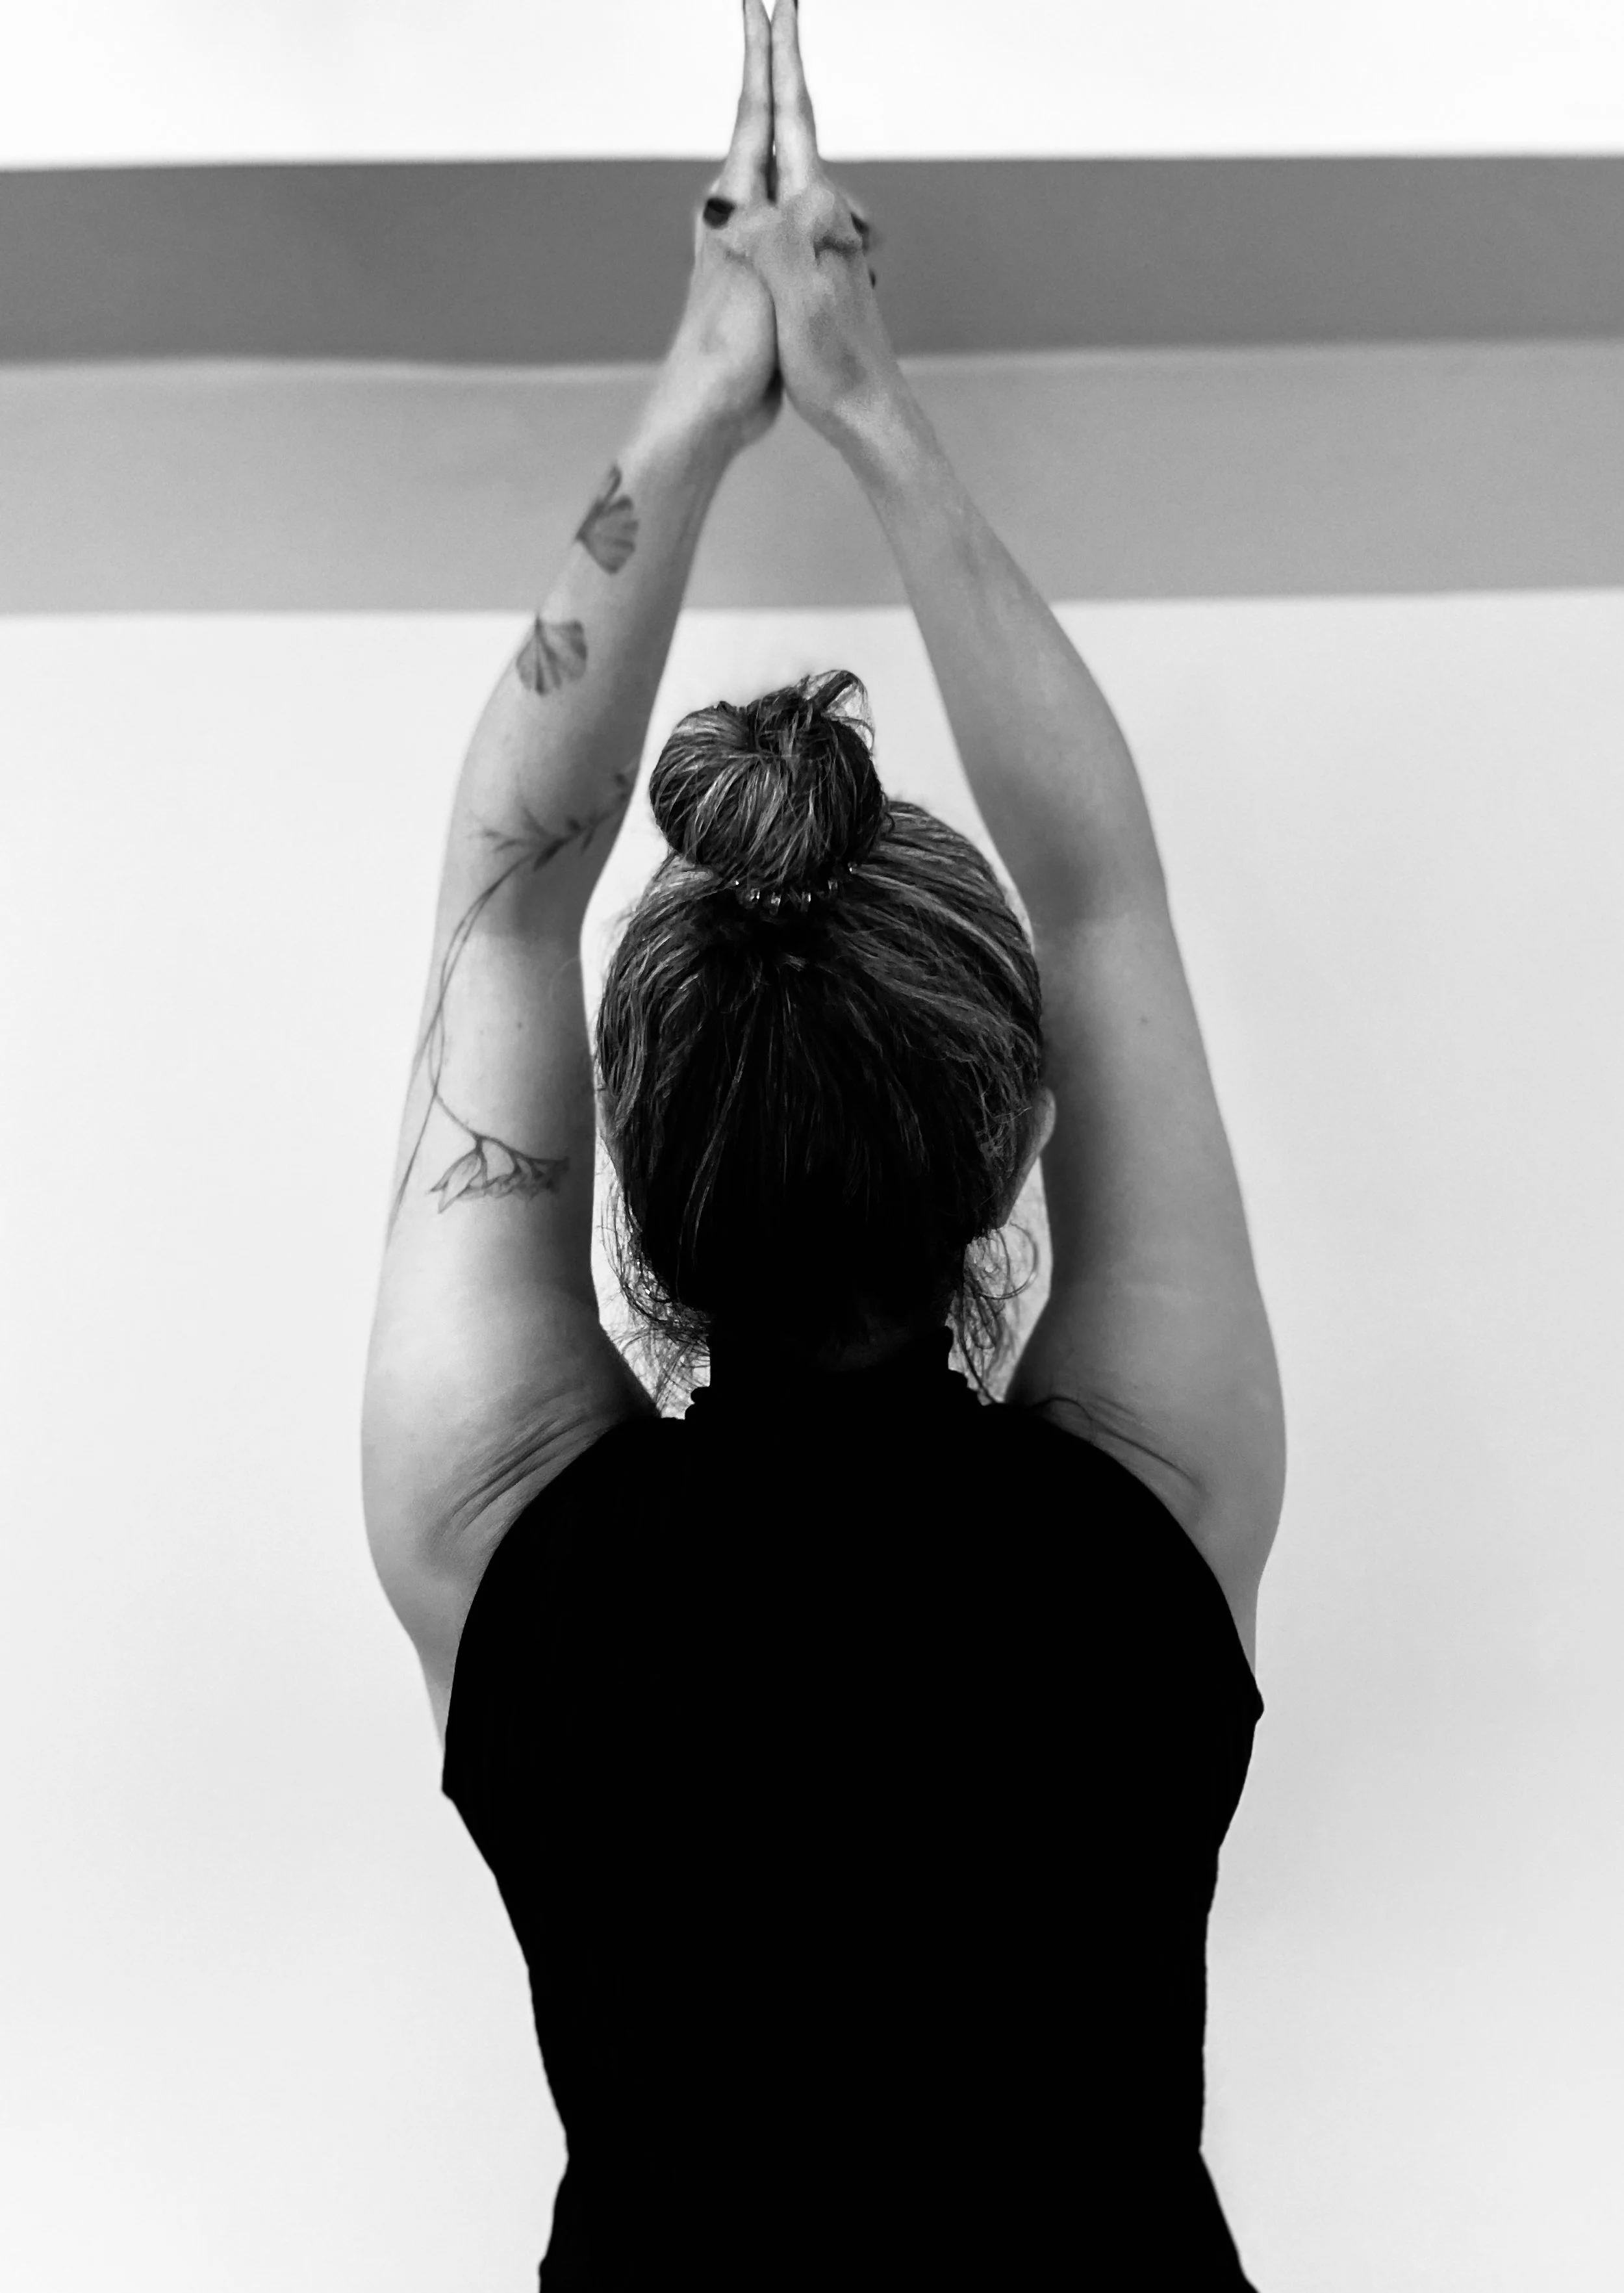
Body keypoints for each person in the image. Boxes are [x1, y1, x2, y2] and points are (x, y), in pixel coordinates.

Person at [361, 2, 1286, 2283]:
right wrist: (867, 405)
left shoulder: (501, 1544)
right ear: (1015, 1139)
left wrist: (690, 408)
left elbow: (506, 883)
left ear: (629, 1188)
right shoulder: (1144, 1514)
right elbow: (1107, 894)